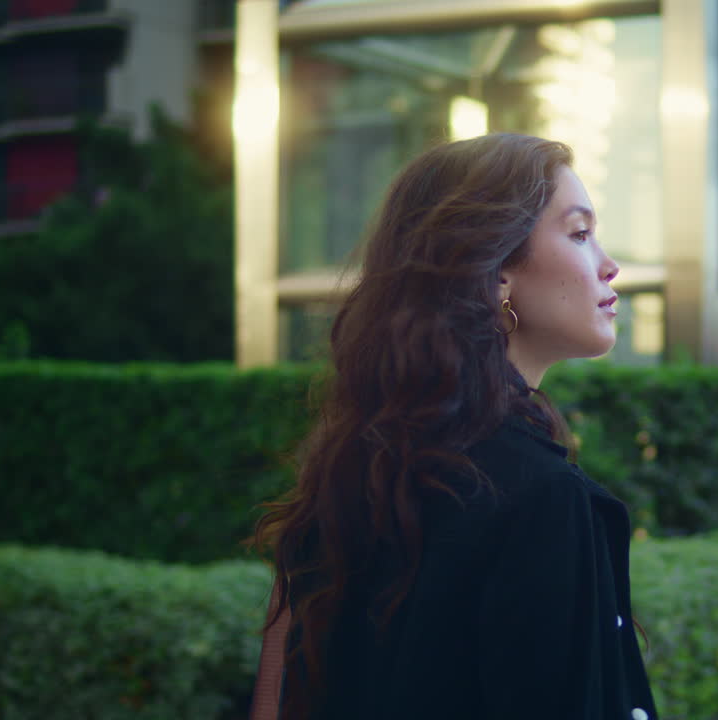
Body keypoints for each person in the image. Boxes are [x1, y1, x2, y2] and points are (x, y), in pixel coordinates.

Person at [249, 133, 658, 720]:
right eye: (579, 233)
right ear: (495, 275)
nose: (609, 265)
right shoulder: (540, 498)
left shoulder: (355, 473)